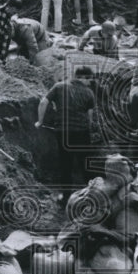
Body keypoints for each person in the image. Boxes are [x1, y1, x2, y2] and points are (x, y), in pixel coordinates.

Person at [36, 66, 97, 200]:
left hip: (63, 132)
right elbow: (90, 116)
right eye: (89, 80)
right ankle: (92, 193)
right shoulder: (89, 93)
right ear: (83, 78)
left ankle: (65, 196)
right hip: (82, 132)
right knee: (86, 162)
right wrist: (89, 129)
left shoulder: (59, 87)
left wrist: (40, 122)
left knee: (65, 163)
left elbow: (43, 102)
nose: (90, 83)